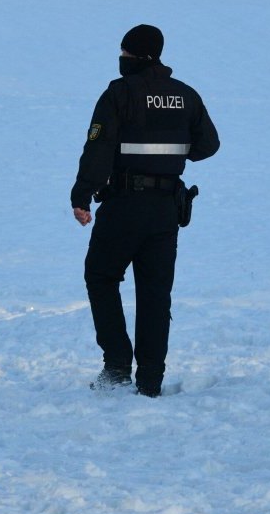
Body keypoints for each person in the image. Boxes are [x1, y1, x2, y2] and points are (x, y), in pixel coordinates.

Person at [71, 24, 220, 397]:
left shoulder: (119, 93)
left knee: (101, 277)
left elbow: (99, 147)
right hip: (166, 209)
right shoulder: (185, 95)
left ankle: (118, 365)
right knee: (155, 294)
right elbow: (208, 145)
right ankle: (151, 380)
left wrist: (82, 195)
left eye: (123, 52)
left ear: (132, 55)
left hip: (123, 205)